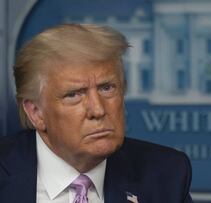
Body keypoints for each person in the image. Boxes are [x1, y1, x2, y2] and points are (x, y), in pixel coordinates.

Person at [0, 23, 193, 203]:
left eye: (107, 88)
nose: (98, 110)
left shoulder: (166, 174)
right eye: (74, 94)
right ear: (36, 113)